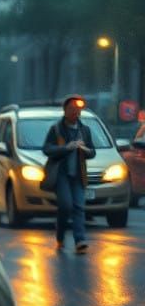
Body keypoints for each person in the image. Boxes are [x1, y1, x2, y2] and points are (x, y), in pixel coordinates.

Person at [43, 95, 95, 254]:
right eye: (71, 109)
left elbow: (92, 152)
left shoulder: (85, 130)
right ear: (65, 111)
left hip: (78, 175)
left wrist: (86, 151)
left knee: (79, 207)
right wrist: (67, 147)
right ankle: (60, 234)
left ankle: (80, 241)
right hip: (62, 175)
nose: (75, 112)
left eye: (78, 109)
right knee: (66, 206)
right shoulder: (56, 129)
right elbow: (47, 149)